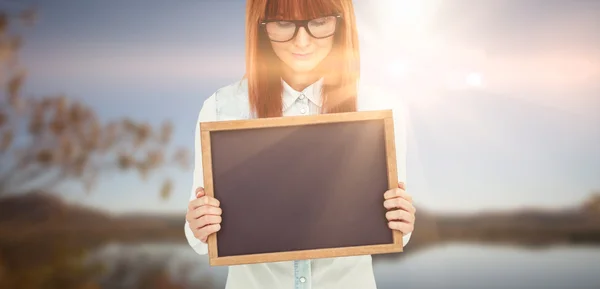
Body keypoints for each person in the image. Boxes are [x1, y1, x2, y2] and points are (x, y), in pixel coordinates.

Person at [184, 0, 416, 288]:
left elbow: (395, 230)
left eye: (319, 22)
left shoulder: (378, 107)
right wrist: (199, 225)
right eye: (283, 23)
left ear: (341, 22)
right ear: (260, 25)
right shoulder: (222, 107)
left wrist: (402, 222)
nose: (302, 41)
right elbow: (198, 236)